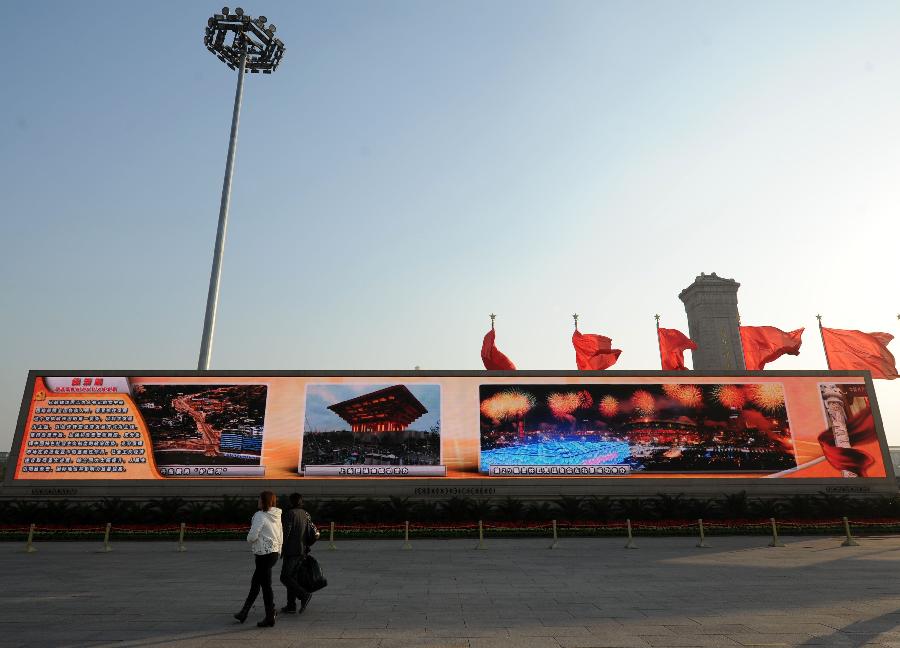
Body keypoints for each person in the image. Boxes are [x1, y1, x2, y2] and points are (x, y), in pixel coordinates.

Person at [234, 490, 283, 627]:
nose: (258, 501)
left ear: (264, 501)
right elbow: (281, 533)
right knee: (257, 582)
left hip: (263, 554)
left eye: (259, 499)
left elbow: (252, 535)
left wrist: (250, 539)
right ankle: (244, 612)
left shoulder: (260, 515)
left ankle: (269, 616)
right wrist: (279, 550)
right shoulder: (276, 515)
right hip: (273, 553)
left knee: (265, 586)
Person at [280, 492, 312, 614]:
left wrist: (281, 548)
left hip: (291, 550)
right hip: (302, 550)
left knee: (285, 577)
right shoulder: (305, 514)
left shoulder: (290, 514)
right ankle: (291, 605)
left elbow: (286, 533)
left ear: (291, 502)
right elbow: (310, 532)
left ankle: (303, 595)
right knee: (292, 577)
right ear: (301, 501)